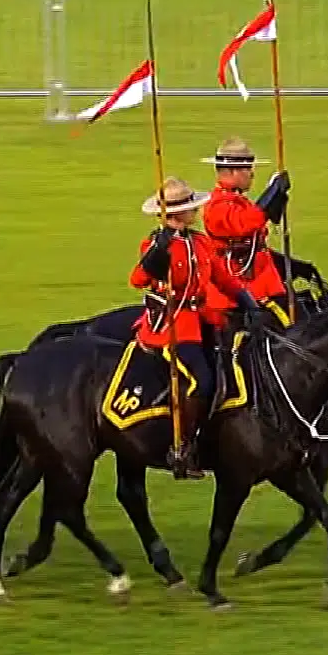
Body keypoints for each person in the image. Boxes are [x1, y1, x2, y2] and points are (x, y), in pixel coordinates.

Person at [130, 176, 261, 479]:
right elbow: (138, 280)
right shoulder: (155, 243)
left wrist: (248, 302)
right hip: (172, 325)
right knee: (202, 380)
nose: (197, 212)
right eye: (191, 208)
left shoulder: (198, 241)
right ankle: (182, 448)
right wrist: (155, 255)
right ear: (176, 213)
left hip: (202, 317)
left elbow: (222, 278)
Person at [200, 136, 292, 330]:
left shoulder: (237, 201)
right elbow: (246, 224)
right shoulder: (218, 206)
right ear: (234, 171)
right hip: (240, 285)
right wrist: (272, 192)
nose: (252, 174)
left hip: (262, 281)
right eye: (248, 170)